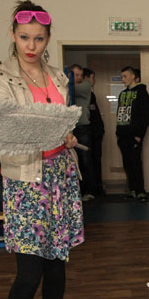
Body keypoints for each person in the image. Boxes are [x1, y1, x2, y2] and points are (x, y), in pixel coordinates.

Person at [0, 0, 84, 299]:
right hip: (26, 180)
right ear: (13, 35)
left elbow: (59, 122)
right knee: (29, 273)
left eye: (39, 38)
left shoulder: (59, 77)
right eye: (24, 37)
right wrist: (47, 131)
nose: (31, 45)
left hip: (60, 175)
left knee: (57, 268)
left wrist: (66, 134)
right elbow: (9, 127)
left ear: (48, 39)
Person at [115, 66, 149, 201]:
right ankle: (132, 190)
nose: (123, 79)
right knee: (127, 163)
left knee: (135, 163)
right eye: (122, 77)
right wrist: (118, 132)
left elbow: (145, 116)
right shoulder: (122, 94)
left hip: (134, 135)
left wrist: (139, 135)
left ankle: (140, 190)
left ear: (133, 76)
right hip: (122, 134)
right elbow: (119, 113)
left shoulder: (142, 93)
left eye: (125, 76)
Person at [69, 64, 95, 201]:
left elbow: (69, 88)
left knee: (85, 160)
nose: (78, 77)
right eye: (75, 75)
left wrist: (68, 80)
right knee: (74, 160)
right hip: (71, 128)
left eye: (80, 75)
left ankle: (88, 191)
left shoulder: (85, 85)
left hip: (83, 126)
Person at [83, 68, 105, 196]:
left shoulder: (91, 95)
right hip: (89, 132)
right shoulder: (85, 95)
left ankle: (98, 186)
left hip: (96, 132)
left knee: (96, 160)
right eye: (92, 77)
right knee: (89, 161)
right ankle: (91, 189)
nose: (94, 80)